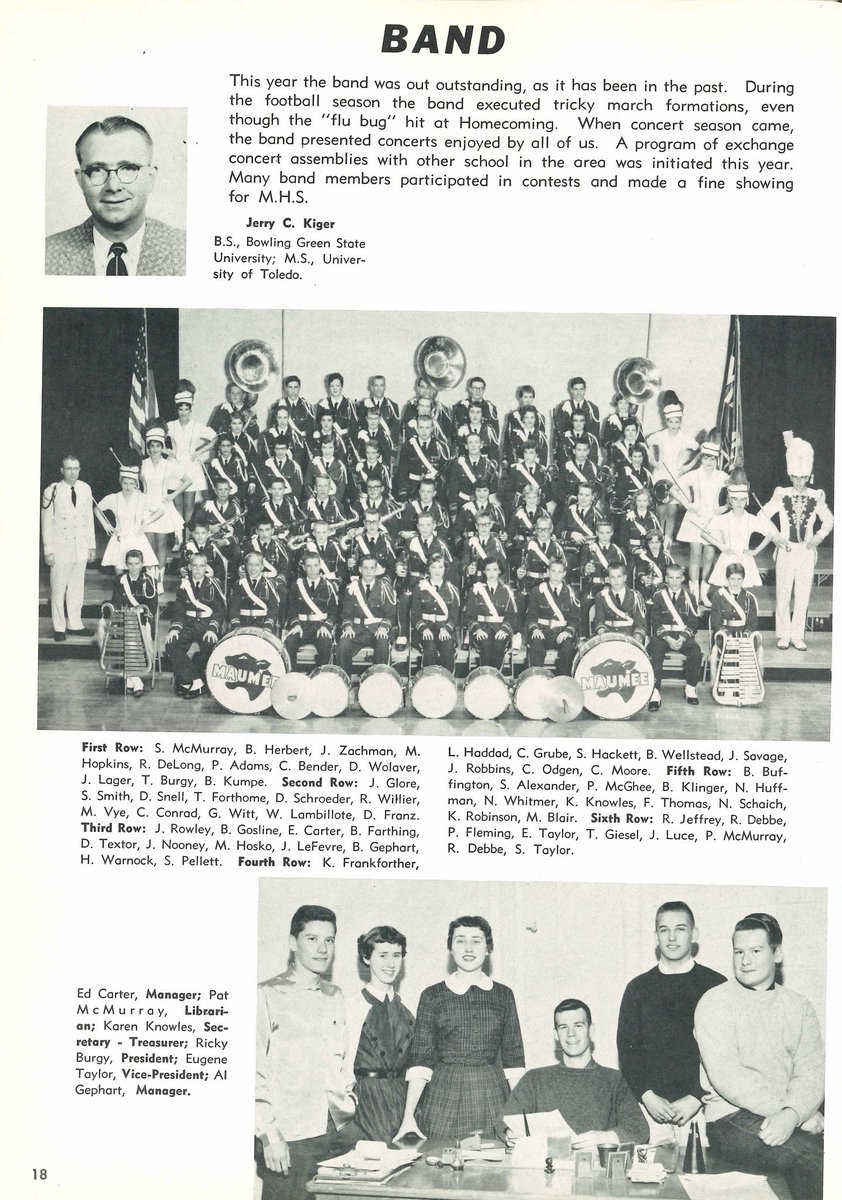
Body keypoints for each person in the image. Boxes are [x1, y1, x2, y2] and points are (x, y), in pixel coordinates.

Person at [695, 914, 824, 1200]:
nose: (745, 960)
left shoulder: (799, 1006)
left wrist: (791, 1114)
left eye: (756, 951)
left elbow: (812, 1072)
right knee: (814, 1159)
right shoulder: (715, 1002)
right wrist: (794, 1116)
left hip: (785, 1114)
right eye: (739, 952)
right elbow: (730, 1080)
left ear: (777, 953)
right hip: (729, 1118)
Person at [255, 905, 356, 1200]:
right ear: (292, 943)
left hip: (336, 1131)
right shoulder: (266, 994)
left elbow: (341, 1061)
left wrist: (347, 1099)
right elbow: (252, 1071)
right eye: (312, 939)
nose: (323, 948)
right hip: (290, 1138)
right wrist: (269, 1136)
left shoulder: (335, 995)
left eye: (329, 940)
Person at [395, 916, 524, 1142]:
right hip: (445, 1094)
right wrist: (408, 1116)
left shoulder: (504, 995)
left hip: (491, 1095)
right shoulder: (432, 995)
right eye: (460, 941)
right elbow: (420, 1060)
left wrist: (521, 1117)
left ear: (488, 948)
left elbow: (514, 1059)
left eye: (476, 941)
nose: (468, 948)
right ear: (450, 948)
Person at [617, 901, 726, 1144]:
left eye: (680, 928)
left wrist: (697, 1097)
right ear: (656, 937)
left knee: (701, 1178)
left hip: (703, 1107)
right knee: (651, 1179)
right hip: (652, 1110)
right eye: (664, 930)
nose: (672, 937)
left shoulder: (716, 985)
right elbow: (627, 1050)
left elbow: (727, 1053)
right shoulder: (637, 988)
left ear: (694, 934)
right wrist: (647, 1096)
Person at [46, 115, 185, 275]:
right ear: (80, 180)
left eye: (128, 168)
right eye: (97, 170)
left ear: (150, 177)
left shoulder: (185, 250)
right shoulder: (47, 254)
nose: (113, 186)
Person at [505, 999, 648, 1150]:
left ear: (591, 1030)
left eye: (578, 1026)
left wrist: (604, 1137)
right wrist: (510, 1134)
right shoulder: (534, 1079)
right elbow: (505, 1120)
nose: (571, 1034)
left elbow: (639, 1127)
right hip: (546, 1169)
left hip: (596, 1168)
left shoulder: (615, 1080)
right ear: (556, 1034)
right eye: (563, 1027)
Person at [339, 927, 415, 1146]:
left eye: (396, 955)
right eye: (382, 955)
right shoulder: (350, 1008)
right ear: (366, 958)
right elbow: (340, 1064)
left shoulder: (410, 1007)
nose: (390, 964)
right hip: (366, 1102)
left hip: (404, 1100)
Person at [760, 437, 833, 651]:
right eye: (796, 477)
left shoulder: (816, 495)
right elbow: (762, 516)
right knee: (783, 592)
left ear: (808, 476)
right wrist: (775, 536)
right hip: (786, 550)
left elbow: (829, 519)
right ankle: (783, 634)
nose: (799, 482)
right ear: (790, 475)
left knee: (802, 594)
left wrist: (819, 536)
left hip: (806, 552)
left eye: (803, 478)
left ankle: (797, 635)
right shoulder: (781, 494)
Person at [41, 453, 96, 641]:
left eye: (76, 468)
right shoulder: (52, 491)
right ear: (62, 470)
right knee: (58, 587)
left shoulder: (85, 489)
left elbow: (89, 519)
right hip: (60, 548)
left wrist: (91, 546)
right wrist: (48, 550)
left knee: (76, 587)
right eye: (69, 468)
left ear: (79, 469)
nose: (73, 472)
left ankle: (75, 624)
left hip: (80, 546)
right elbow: (46, 523)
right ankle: (59, 627)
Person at [673, 435, 729, 605]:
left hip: (713, 519)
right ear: (702, 458)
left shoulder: (722, 476)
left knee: (709, 556)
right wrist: (687, 504)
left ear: (716, 460)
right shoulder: (694, 474)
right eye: (706, 458)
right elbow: (673, 489)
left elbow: (738, 491)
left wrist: (725, 507)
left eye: (712, 458)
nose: (709, 462)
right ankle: (694, 593)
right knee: (695, 555)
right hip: (695, 518)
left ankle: (704, 592)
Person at [165, 551, 226, 697]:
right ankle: (195, 680)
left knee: (210, 646)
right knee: (171, 644)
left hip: (206, 625)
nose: (198, 569)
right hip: (188, 624)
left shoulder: (214, 585)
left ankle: (186, 680)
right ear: (189, 567)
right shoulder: (184, 586)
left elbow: (219, 610)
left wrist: (212, 629)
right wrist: (174, 629)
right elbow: (179, 610)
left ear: (206, 567)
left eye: (201, 566)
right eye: (195, 566)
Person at [647, 563, 703, 710]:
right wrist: (668, 639)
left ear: (683, 578)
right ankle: (655, 692)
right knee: (655, 651)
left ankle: (690, 688)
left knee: (696, 653)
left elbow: (693, 623)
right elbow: (655, 622)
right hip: (664, 636)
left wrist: (683, 638)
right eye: (671, 578)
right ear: (666, 578)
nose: (674, 581)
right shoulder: (658, 597)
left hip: (682, 636)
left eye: (677, 578)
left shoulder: (690, 597)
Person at [140, 423, 189, 591]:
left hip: (163, 506)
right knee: (148, 544)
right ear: (148, 448)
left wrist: (172, 495)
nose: (154, 449)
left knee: (161, 544)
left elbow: (188, 480)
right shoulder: (143, 464)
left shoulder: (169, 464)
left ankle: (159, 581)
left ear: (162, 447)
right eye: (152, 446)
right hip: (146, 507)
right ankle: (149, 580)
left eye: (157, 446)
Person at [103, 548, 158, 697]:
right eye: (130, 564)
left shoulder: (150, 581)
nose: (133, 567)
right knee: (114, 632)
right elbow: (115, 602)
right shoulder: (120, 580)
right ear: (126, 564)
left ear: (142, 564)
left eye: (136, 564)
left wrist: (144, 620)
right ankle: (135, 680)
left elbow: (152, 606)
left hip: (142, 621)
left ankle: (130, 677)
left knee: (134, 634)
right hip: (124, 620)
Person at [646, 393, 698, 544]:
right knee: (660, 512)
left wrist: (688, 465)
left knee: (672, 513)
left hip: (676, 477)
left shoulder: (684, 437)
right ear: (666, 421)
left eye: (676, 422)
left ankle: (668, 542)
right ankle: (658, 540)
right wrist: (652, 460)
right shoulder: (660, 436)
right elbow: (646, 444)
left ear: (680, 421)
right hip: (660, 476)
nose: (674, 425)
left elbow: (701, 451)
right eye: (670, 422)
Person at [166, 381, 216, 534]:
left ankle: (187, 538)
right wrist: (166, 450)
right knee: (176, 506)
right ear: (177, 410)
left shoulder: (197, 426)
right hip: (174, 467)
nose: (183, 412)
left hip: (191, 466)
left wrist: (199, 451)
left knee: (189, 506)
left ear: (190, 409)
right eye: (180, 409)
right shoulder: (170, 425)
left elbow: (215, 439)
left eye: (186, 409)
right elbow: (154, 436)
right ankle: (177, 538)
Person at [335, 555, 397, 674]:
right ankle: (345, 681)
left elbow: (390, 614)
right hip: (357, 630)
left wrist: (383, 628)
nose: (368, 571)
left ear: (376, 570)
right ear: (360, 570)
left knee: (383, 645)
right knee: (343, 645)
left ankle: (380, 681)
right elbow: (346, 614)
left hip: (377, 629)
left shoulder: (384, 588)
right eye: (365, 568)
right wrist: (348, 627)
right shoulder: (352, 587)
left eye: (372, 568)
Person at [283, 552, 338, 671]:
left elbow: (334, 612)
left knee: (325, 642)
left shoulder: (329, 586)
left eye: (315, 565)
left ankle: (322, 674)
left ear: (320, 566)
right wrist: (296, 625)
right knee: (290, 642)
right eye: (309, 566)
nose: (312, 569)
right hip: (301, 626)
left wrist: (326, 626)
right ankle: (293, 674)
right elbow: (292, 610)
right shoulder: (296, 585)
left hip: (320, 625)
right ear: (304, 567)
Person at [98, 465, 158, 573]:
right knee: (119, 573)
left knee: (141, 569)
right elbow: (97, 509)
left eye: (131, 483)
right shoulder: (114, 498)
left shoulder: (141, 498)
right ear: (120, 483)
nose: (128, 487)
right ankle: (121, 590)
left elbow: (161, 510)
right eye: (125, 483)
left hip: (137, 536)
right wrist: (105, 525)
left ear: (136, 484)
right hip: (119, 537)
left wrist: (146, 523)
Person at [525, 558, 580, 675]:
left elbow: (575, 618)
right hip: (542, 630)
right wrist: (535, 629)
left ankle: (562, 680)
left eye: (559, 572)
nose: (556, 575)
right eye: (553, 571)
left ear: (564, 574)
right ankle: (537, 679)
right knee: (536, 645)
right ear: (548, 572)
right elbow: (531, 615)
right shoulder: (537, 590)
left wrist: (568, 632)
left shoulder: (571, 592)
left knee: (568, 648)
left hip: (562, 631)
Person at [409, 555, 461, 672]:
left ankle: (447, 680)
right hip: (425, 629)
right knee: (430, 648)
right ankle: (427, 680)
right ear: (428, 569)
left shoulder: (452, 590)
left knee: (448, 647)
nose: (437, 570)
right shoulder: (419, 588)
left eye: (440, 567)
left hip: (445, 629)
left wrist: (446, 629)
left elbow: (454, 616)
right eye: (433, 567)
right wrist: (424, 629)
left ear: (445, 569)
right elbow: (415, 614)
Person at [465, 558, 520, 669]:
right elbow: (469, 616)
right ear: (484, 571)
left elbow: (511, 616)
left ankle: (496, 675)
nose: (491, 573)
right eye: (488, 570)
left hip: (500, 628)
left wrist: (504, 630)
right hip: (481, 628)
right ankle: (485, 675)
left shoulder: (507, 591)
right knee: (485, 643)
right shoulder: (475, 590)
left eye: (495, 569)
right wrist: (477, 629)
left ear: (499, 571)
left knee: (499, 644)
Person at [592, 561, 647, 643]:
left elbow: (640, 622)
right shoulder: (601, 596)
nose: (616, 580)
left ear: (624, 578)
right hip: (608, 636)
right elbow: (599, 620)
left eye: (619, 576)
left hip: (629, 636)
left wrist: (637, 636)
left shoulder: (635, 596)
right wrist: (602, 633)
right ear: (608, 579)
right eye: (612, 577)